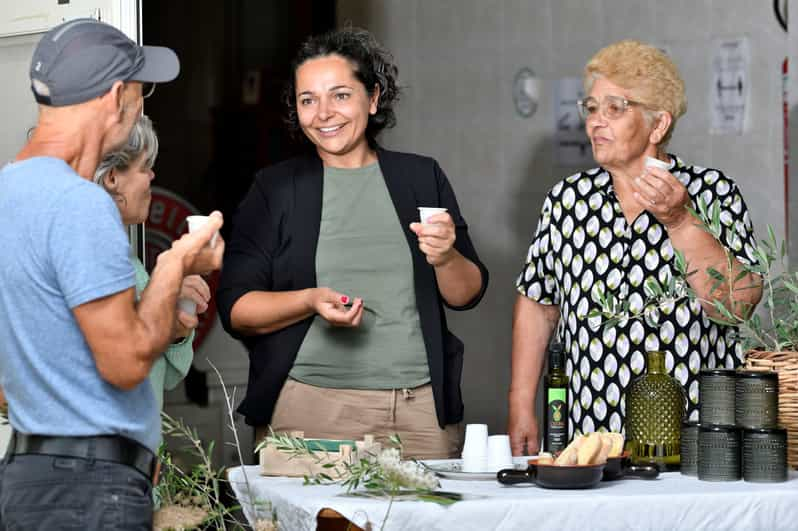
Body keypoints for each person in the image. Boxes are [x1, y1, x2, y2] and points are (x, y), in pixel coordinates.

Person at [217, 27, 488, 459]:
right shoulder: (276, 189)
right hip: (310, 410)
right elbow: (236, 309)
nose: (323, 113)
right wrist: (309, 300)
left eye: (340, 95)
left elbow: (466, 293)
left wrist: (445, 256)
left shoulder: (420, 178)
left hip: (419, 413)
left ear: (373, 97)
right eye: (308, 100)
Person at [0, 19, 224, 529]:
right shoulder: (81, 204)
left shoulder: (7, 191)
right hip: (89, 487)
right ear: (116, 95)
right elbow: (124, 363)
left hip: (28, 477)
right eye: (142, 93)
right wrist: (175, 264)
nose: (141, 106)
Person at [508, 40, 762, 455]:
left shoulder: (713, 192)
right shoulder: (567, 200)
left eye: (614, 108)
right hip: (591, 441)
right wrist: (520, 406)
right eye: (591, 108)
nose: (596, 122)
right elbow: (538, 304)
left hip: (692, 441)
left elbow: (736, 306)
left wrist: (679, 220)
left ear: (657, 124)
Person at [93, 114, 210, 410]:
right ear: (112, 178)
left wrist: (176, 328)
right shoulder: (86, 254)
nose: (153, 177)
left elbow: (164, 377)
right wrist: (161, 296)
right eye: (145, 167)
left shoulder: (128, 258)